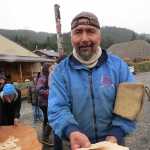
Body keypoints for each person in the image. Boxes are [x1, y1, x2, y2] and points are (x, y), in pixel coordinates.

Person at [48, 12, 136, 150]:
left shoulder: (118, 67)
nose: (84, 38)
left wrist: (116, 133)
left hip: (112, 143)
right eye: (78, 32)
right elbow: (57, 108)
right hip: (75, 144)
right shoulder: (60, 72)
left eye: (90, 31)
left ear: (99, 36)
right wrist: (71, 131)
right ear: (71, 37)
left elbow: (130, 103)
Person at [36, 63, 51, 141]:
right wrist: (49, 92)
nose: (51, 69)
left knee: (47, 118)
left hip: (49, 102)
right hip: (43, 103)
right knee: (48, 118)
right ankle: (45, 136)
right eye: (50, 68)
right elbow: (39, 90)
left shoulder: (50, 76)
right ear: (46, 69)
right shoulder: (42, 78)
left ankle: (45, 134)